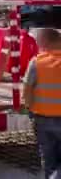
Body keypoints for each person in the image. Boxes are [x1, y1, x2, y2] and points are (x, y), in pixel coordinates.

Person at [23, 28, 61, 179]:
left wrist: (29, 110)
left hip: (42, 119)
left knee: (48, 158)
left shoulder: (37, 62)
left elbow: (27, 90)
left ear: (45, 42)